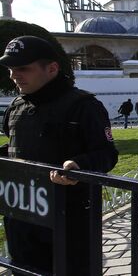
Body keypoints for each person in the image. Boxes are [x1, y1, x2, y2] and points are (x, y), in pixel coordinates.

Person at [0, 36, 118, 275]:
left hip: (68, 220)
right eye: (11, 69)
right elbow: (15, 147)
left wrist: (79, 166)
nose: (14, 75)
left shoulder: (84, 106)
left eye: (23, 68)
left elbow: (106, 154)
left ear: (52, 68)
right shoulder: (16, 107)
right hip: (22, 218)